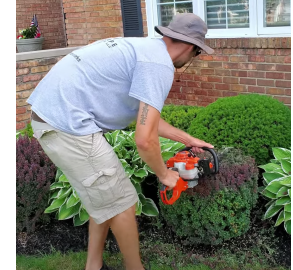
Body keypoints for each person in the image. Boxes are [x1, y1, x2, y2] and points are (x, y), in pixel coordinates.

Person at [27, 13, 214, 270]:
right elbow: (145, 140)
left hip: (54, 117)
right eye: (198, 54)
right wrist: (165, 175)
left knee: (106, 198)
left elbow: (147, 120)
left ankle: (94, 266)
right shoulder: (158, 65)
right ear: (191, 47)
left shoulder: (145, 50)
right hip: (68, 125)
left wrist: (188, 138)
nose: (193, 59)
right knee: (123, 204)